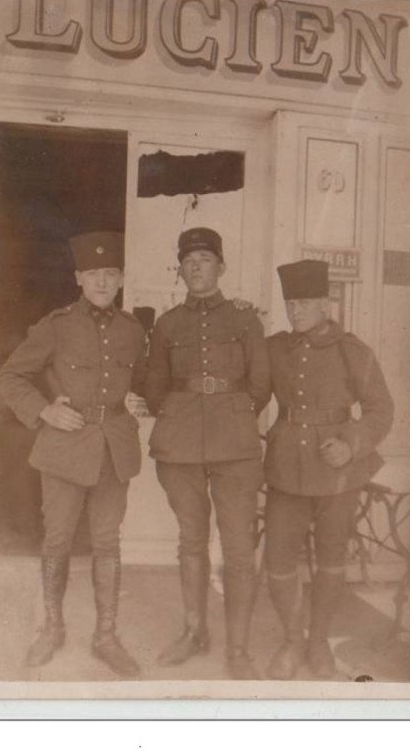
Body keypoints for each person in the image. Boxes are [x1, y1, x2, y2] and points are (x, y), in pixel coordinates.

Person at [0, 231, 147, 677]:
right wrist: (43, 411)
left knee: (108, 543)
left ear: (120, 279)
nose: (102, 281)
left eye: (110, 273)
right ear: (79, 278)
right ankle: (52, 628)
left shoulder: (134, 331)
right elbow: (10, 377)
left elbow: (143, 381)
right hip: (64, 448)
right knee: (57, 540)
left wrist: (140, 399)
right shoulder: (56, 326)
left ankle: (106, 635)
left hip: (114, 449)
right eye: (93, 273)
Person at [144, 227, 270, 680]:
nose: (196, 266)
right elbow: (154, 385)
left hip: (235, 447)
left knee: (238, 550)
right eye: (189, 260)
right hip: (179, 448)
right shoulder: (167, 325)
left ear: (221, 267)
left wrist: (231, 413)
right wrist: (181, 413)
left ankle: (238, 650)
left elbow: (261, 385)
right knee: (190, 542)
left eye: (205, 259)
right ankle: (195, 633)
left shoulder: (244, 321)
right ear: (180, 269)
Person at [264, 259, 394, 680]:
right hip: (285, 469)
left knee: (331, 559)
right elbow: (247, 391)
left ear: (325, 301)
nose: (295, 310)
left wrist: (351, 444)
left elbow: (381, 409)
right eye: (290, 302)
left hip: (337, 474)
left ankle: (317, 639)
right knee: (279, 559)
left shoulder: (352, 350)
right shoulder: (275, 348)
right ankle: (291, 638)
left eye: (304, 301)